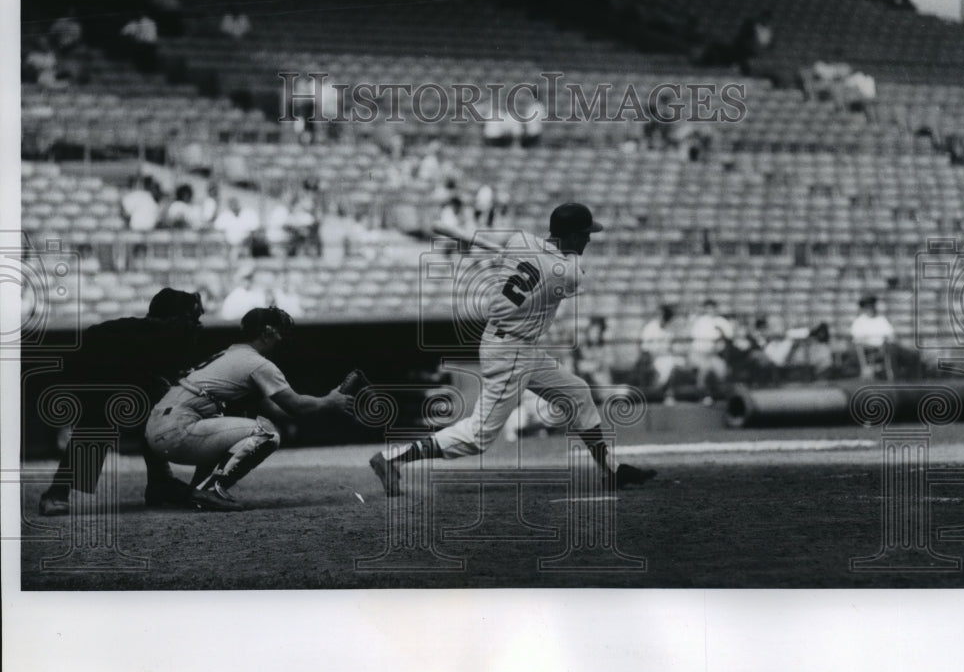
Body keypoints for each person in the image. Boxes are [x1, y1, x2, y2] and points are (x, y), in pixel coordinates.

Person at [368, 202, 656, 496]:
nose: (588, 239)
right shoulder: (568, 273)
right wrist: (544, 259)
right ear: (569, 235)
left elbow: (537, 256)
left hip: (518, 346)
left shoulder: (520, 240)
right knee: (477, 436)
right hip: (511, 352)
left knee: (577, 392)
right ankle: (393, 459)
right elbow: (569, 273)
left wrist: (534, 256)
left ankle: (610, 470)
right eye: (584, 234)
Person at [144, 308, 359, 511]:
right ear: (266, 332)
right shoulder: (257, 363)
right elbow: (296, 405)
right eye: (279, 332)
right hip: (177, 430)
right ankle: (208, 490)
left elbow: (280, 411)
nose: (282, 339)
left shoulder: (232, 353)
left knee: (233, 426)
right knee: (266, 433)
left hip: (160, 428)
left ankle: (200, 490)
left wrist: (325, 405)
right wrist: (329, 402)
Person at [38, 289, 205, 516]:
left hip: (117, 377)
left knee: (158, 407)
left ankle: (160, 483)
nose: (198, 324)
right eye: (193, 318)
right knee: (100, 422)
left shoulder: (159, 333)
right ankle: (56, 493)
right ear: (176, 318)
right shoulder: (151, 331)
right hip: (96, 375)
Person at [688, 299, 734, 404]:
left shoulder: (722, 321)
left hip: (715, 355)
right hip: (699, 354)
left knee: (722, 371)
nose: (711, 310)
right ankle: (703, 395)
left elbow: (729, 338)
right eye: (708, 308)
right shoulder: (700, 321)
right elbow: (695, 340)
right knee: (705, 368)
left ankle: (721, 398)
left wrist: (721, 333)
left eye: (713, 307)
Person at [636, 304, 683, 402]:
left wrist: (670, 352)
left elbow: (671, 347)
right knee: (668, 365)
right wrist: (656, 354)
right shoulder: (650, 328)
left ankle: (667, 392)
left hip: (666, 356)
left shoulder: (669, 330)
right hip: (653, 357)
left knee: (676, 363)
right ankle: (664, 392)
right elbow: (644, 348)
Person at [850, 295, 898, 379]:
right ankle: (866, 371)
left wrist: (884, 342)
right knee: (859, 347)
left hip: (882, 346)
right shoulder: (859, 321)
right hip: (866, 347)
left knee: (890, 347)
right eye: (867, 306)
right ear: (864, 308)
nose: (870, 308)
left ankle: (890, 374)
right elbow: (857, 338)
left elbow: (890, 334)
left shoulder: (881, 319)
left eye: (871, 306)